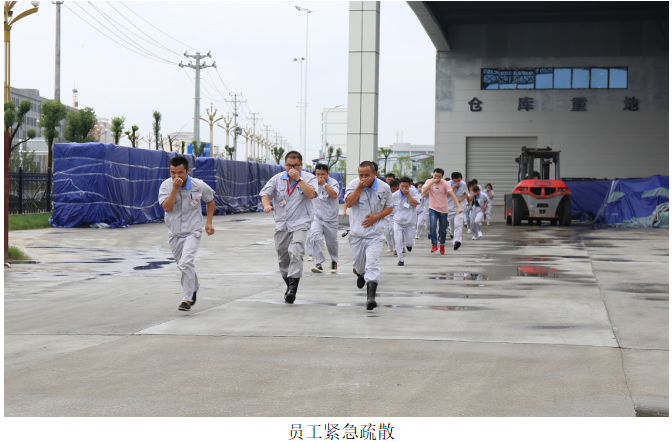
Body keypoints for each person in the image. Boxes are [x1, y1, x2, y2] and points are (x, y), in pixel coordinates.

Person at [260, 151, 318, 304]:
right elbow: (265, 194)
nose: (292, 168)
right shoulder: (277, 179)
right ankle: (288, 282)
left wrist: (298, 179)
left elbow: (312, 194)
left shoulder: (309, 178)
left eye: (295, 166)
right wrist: (266, 205)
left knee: (296, 251)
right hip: (282, 223)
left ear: (301, 165)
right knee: (283, 255)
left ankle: (293, 287)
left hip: (301, 222)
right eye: (288, 165)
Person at [158, 156, 216, 311]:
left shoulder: (198, 185)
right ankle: (194, 286)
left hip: (192, 230)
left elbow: (210, 200)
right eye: (173, 172)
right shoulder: (165, 186)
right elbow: (166, 207)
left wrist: (209, 222)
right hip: (174, 232)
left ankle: (187, 299)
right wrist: (174, 189)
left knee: (185, 262)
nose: (176, 176)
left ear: (187, 171)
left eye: (180, 172)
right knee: (182, 264)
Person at [345, 161, 393, 310]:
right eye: (361, 175)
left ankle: (371, 298)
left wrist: (376, 217)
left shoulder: (384, 187)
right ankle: (360, 273)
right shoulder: (353, 185)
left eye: (367, 175)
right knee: (360, 266)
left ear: (375, 174)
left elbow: (389, 207)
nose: (363, 178)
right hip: (357, 234)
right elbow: (349, 203)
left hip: (375, 234)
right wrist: (359, 187)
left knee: (372, 264)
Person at [308, 164, 340, 274]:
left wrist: (324, 184)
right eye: (318, 174)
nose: (320, 176)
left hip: (331, 219)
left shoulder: (333, 183)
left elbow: (334, 195)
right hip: (317, 217)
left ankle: (334, 260)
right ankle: (318, 263)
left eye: (323, 174)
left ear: (327, 174)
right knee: (314, 238)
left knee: (332, 243)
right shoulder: (312, 183)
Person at [422, 168, 463, 255]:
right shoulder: (429, 181)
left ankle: (442, 244)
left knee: (443, 229)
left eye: (439, 176)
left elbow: (452, 195)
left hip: (443, 209)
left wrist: (458, 207)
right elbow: (424, 191)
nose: (437, 178)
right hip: (432, 208)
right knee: (433, 226)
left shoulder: (444, 183)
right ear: (433, 174)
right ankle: (434, 244)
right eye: (435, 175)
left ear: (442, 177)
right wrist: (432, 182)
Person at [392, 177, 419, 266]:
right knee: (398, 239)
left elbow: (415, 204)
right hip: (398, 221)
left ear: (409, 186)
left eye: (406, 186)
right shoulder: (394, 195)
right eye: (402, 186)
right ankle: (400, 259)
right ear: (399, 185)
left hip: (410, 222)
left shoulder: (413, 192)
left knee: (410, 242)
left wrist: (408, 195)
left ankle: (409, 245)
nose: (404, 188)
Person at [447, 172, 469, 251]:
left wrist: (460, 199)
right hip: (450, 207)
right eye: (455, 181)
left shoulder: (463, 184)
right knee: (452, 225)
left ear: (461, 179)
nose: (457, 182)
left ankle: (457, 241)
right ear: (452, 179)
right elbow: (445, 195)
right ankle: (453, 234)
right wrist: (453, 187)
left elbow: (466, 194)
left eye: (458, 180)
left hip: (460, 207)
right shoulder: (448, 184)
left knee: (458, 224)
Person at [384, 179, 399, 253]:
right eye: (393, 189)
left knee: (393, 231)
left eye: (396, 189)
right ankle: (390, 247)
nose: (395, 191)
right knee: (387, 232)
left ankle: (397, 248)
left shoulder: (401, 195)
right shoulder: (386, 195)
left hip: (395, 217)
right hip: (386, 216)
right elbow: (381, 203)